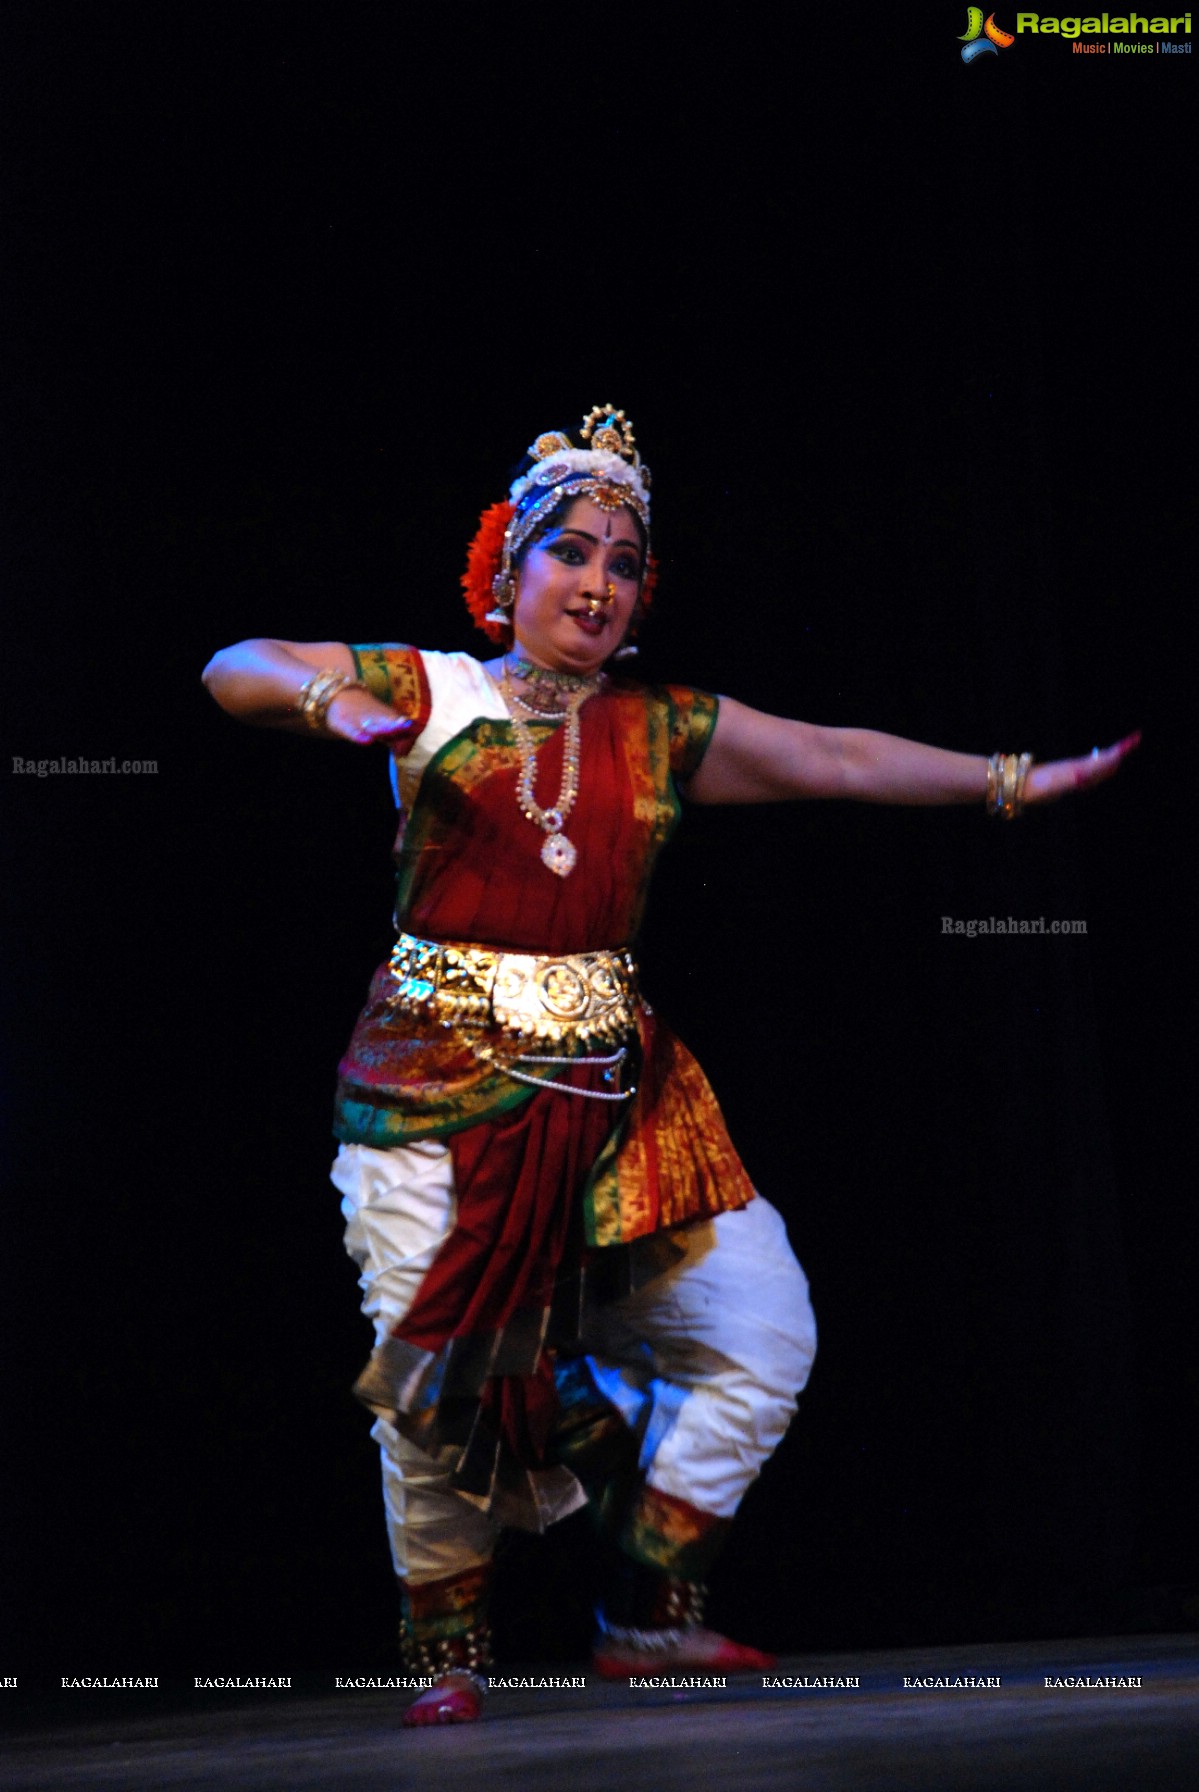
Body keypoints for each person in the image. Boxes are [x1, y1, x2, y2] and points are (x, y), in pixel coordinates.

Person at [202, 405, 1137, 1727]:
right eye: (570, 551)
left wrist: (1007, 783)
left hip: (617, 1105)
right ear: (510, 571)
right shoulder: (432, 689)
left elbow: (831, 755)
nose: (595, 582)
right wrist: (333, 701)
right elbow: (229, 662)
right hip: (431, 1093)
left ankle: (648, 1612)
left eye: (623, 562)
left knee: (762, 1332)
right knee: (439, 1383)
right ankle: (448, 1655)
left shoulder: (656, 729)